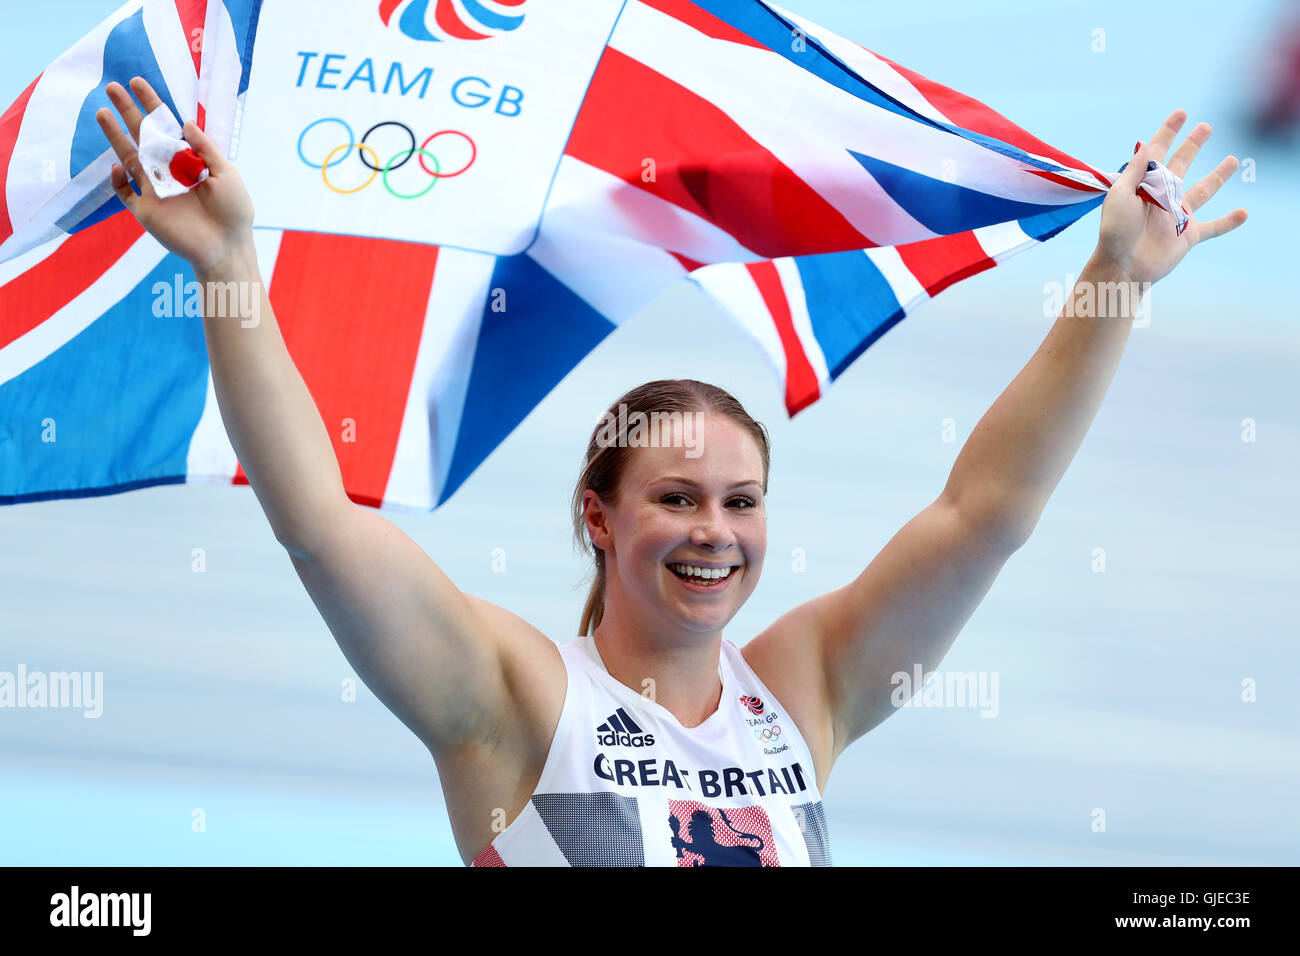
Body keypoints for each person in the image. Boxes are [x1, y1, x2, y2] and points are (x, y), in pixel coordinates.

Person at [95, 76, 1247, 867]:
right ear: (596, 517)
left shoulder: (802, 691)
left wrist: (1113, 280)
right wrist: (228, 264)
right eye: (677, 498)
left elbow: (982, 514)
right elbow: (317, 523)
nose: (716, 531)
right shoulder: (514, 696)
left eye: (741, 501)